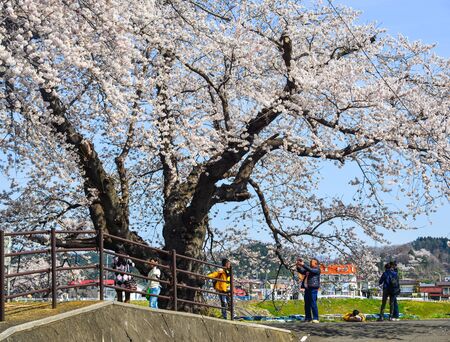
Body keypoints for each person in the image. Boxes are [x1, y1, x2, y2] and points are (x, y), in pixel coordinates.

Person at [296, 257, 321, 323]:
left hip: (313, 288)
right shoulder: (308, 270)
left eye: (311, 262)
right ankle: (308, 317)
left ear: (316, 263)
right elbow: (301, 271)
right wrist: (298, 266)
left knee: (313, 303)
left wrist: (303, 264)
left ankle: (316, 318)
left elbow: (311, 270)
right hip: (307, 288)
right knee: (307, 304)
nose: (310, 262)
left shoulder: (317, 269)